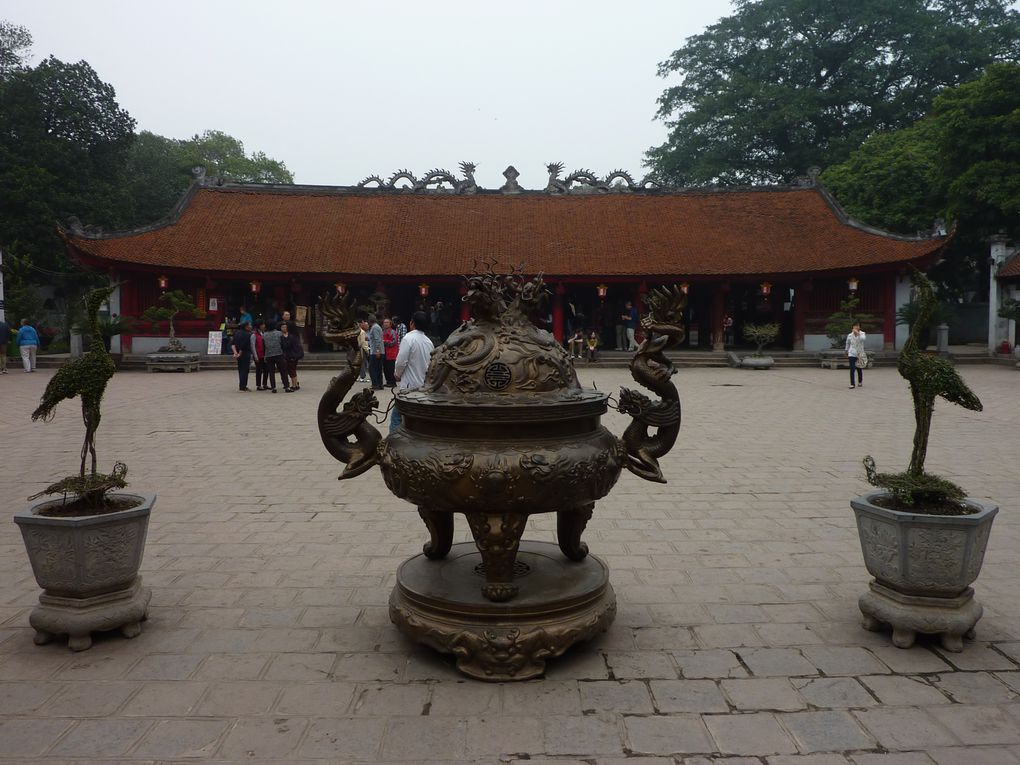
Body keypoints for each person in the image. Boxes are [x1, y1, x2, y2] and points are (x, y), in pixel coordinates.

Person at [391, 311, 435, 434]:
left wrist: (397, 374)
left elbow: (401, 362)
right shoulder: (428, 342)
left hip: (409, 387)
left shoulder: (408, 338)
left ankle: (392, 445)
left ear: (412, 323)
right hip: (423, 387)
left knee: (397, 418)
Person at [263, 321, 287, 392]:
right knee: (283, 371)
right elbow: (283, 344)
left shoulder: (264, 335)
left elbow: (264, 346)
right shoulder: (279, 333)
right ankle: (286, 386)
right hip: (279, 354)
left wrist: (265, 355)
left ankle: (273, 387)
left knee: (271, 372)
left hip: (269, 355)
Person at [280, 320, 304, 392]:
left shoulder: (290, 336)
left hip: (290, 355)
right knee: (292, 369)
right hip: (294, 355)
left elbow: (286, 345)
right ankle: (295, 383)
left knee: (291, 370)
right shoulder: (294, 335)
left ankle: (294, 385)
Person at [845, 321, 868, 389]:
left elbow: (863, 339)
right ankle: (852, 384)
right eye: (855, 326)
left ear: (859, 327)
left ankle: (860, 381)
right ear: (853, 327)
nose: (856, 327)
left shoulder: (862, 333)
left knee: (859, 368)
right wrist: (846, 350)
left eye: (858, 326)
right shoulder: (849, 335)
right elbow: (847, 343)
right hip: (851, 353)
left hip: (859, 354)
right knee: (852, 369)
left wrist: (857, 333)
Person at [232, 320, 253, 391]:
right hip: (245, 353)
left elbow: (233, 344)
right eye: (249, 325)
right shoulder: (247, 334)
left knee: (240, 369)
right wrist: (240, 353)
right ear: (246, 327)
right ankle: (243, 386)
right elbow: (243, 346)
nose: (250, 326)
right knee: (245, 370)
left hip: (238, 353)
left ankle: (241, 385)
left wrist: (235, 353)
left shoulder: (236, 333)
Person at [366, 314, 384, 390]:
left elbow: (377, 340)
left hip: (375, 351)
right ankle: (380, 384)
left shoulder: (375, 328)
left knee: (372, 368)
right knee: (378, 368)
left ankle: (375, 384)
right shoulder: (377, 327)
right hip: (380, 350)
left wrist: (377, 350)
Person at [251, 320, 268, 390]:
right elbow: (253, 346)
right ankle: (258, 385)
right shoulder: (254, 335)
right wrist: (255, 356)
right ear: (260, 325)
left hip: (264, 355)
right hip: (258, 355)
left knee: (266, 370)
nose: (264, 326)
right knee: (259, 370)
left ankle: (265, 384)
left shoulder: (263, 333)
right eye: (263, 324)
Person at [382, 317, 399, 387]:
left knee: (390, 368)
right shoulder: (383, 332)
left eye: (387, 322)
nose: (385, 324)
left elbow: (394, 342)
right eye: (384, 322)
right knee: (385, 368)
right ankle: (388, 381)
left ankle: (392, 382)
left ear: (390, 324)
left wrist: (384, 342)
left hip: (391, 352)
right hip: (385, 352)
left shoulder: (392, 332)